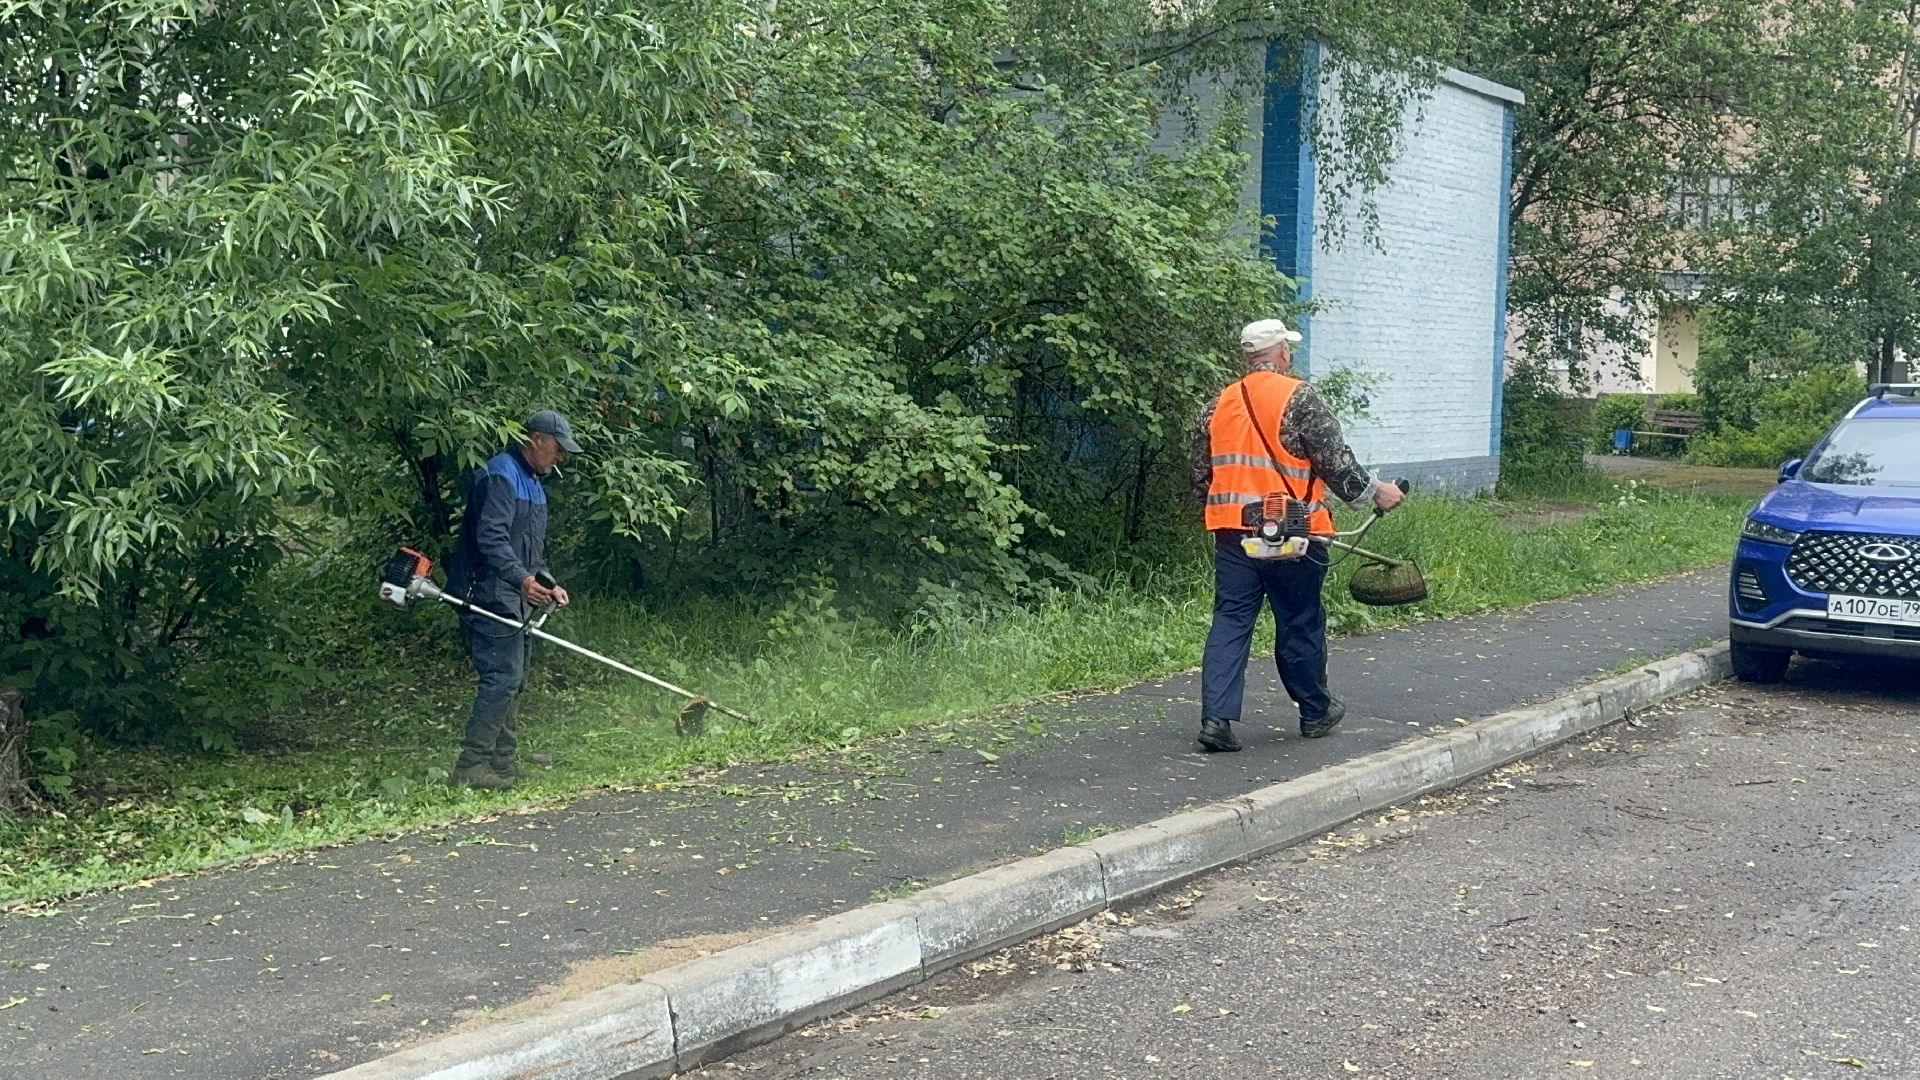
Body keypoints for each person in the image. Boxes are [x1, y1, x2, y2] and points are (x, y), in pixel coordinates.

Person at [1190, 319, 1403, 752]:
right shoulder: (1300, 397)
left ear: (1249, 356)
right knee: (1298, 620)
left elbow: (1199, 475)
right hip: (1294, 532)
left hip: (1233, 532)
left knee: (1231, 619)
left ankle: (1216, 720)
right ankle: (1314, 710)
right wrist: (1375, 492)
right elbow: (1334, 461)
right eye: (1288, 347)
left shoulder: (1216, 405)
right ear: (1282, 353)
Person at [444, 410, 581, 789]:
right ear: (536, 439)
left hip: (513, 595)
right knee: (502, 677)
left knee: (513, 680)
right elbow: (491, 540)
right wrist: (522, 580)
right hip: (485, 593)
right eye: (558, 448)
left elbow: (528, 551)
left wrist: (546, 582)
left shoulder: (534, 482)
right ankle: (471, 765)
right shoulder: (500, 475)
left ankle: (502, 761)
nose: (560, 457)